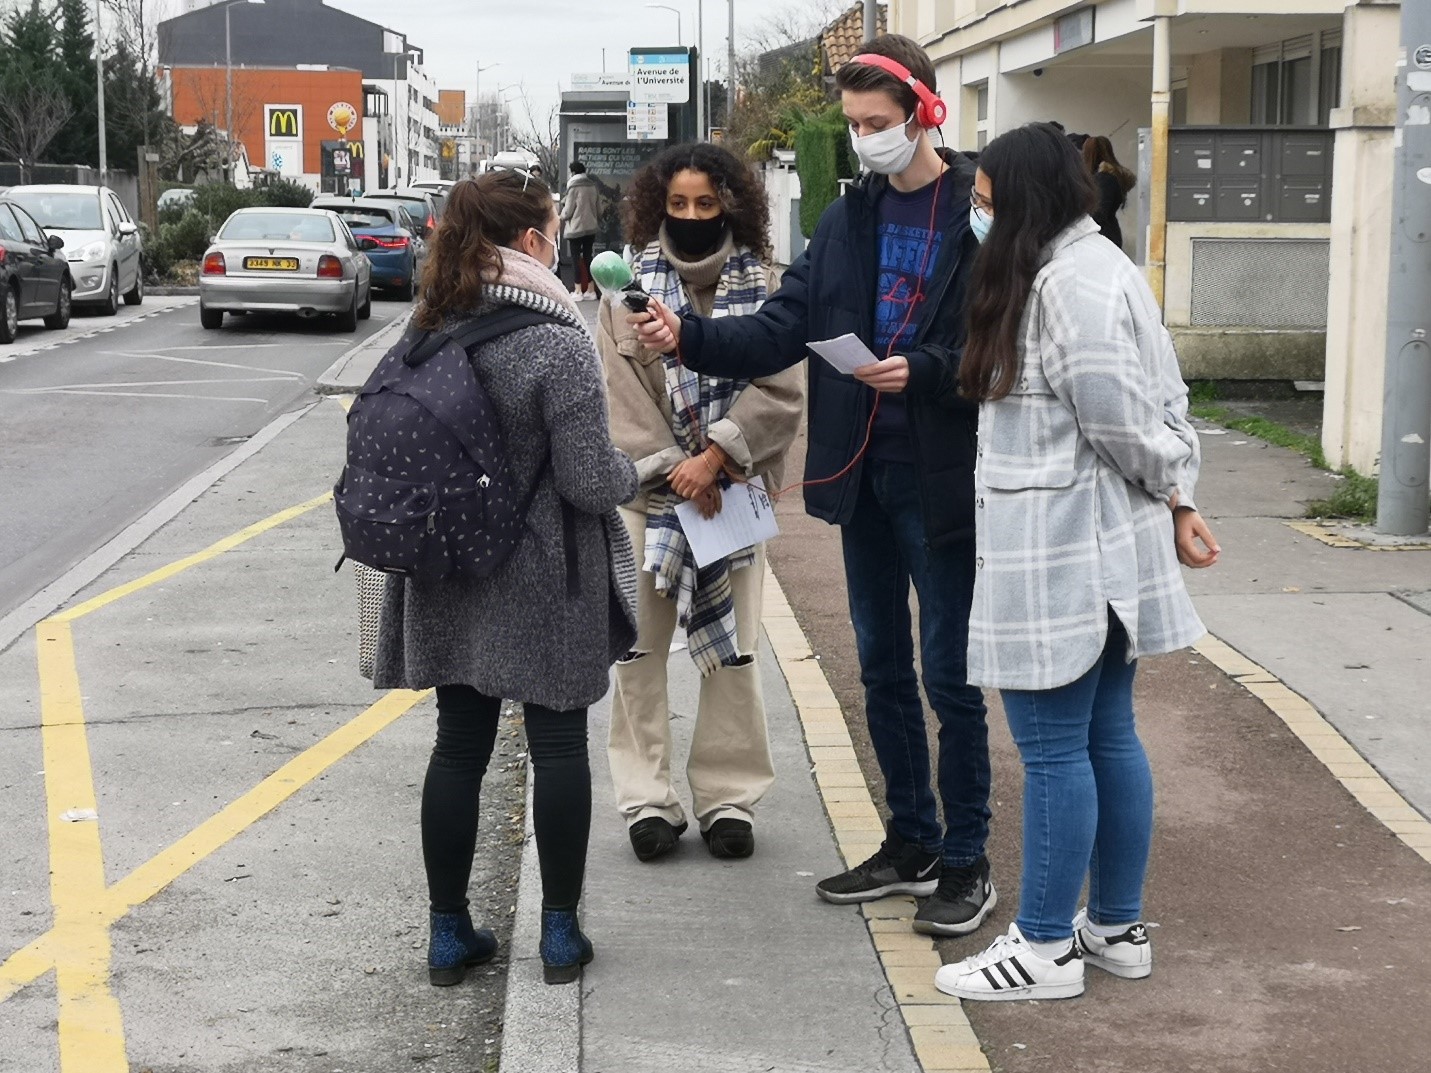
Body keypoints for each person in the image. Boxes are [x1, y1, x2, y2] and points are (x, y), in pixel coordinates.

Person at [630, 35, 996, 938]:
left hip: (942, 474)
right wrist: (691, 340)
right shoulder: (846, 219)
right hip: (861, 473)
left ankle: (966, 861)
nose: (864, 137)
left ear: (926, 112)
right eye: (853, 123)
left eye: (877, 123)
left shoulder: (979, 213)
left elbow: (1007, 340)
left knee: (947, 674)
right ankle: (910, 841)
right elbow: (783, 326)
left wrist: (930, 369)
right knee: (880, 669)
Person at [933, 123, 1220, 1002]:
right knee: (1103, 736)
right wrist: (1175, 491)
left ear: (1022, 202)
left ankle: (1046, 946)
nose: (974, 217)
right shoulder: (1093, 271)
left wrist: (1174, 485)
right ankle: (1114, 925)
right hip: (1089, 543)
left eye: (983, 203)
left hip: (1067, 549)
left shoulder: (1068, 287)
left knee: (1055, 748)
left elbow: (1123, 418)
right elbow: (1156, 401)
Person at [371, 171, 640, 987]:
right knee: (559, 746)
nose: (560, 240)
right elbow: (591, 481)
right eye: (555, 227)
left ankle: (447, 937)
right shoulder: (556, 340)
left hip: (448, 566)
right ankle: (559, 937)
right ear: (530, 242)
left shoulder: (426, 328)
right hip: (546, 572)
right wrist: (638, 471)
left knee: (458, 748)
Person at [598, 142, 804, 863]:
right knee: (638, 651)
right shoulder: (623, 290)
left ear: (731, 206)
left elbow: (781, 388)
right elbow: (618, 400)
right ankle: (646, 799)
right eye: (677, 204)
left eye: (705, 204)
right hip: (647, 500)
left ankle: (728, 797)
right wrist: (673, 468)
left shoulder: (770, 285)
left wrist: (716, 457)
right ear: (658, 206)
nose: (690, 217)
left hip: (734, 495)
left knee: (735, 652)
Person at [1083, 135, 1136, 250]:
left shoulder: (1105, 179)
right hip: (1106, 235)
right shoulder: (1107, 178)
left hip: (1103, 237)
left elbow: (1100, 213)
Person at [562, 161, 602, 301]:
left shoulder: (573, 187)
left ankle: (578, 290)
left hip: (576, 229)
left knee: (575, 259)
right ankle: (591, 290)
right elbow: (599, 210)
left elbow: (567, 212)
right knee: (588, 257)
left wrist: (561, 215)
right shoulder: (593, 186)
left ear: (573, 172)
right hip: (590, 228)